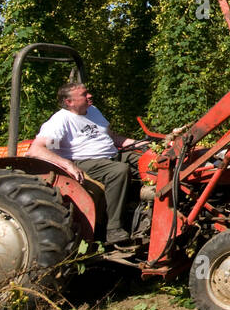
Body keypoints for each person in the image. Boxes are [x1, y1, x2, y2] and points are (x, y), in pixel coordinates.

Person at [26, 81, 149, 245]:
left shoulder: (93, 111)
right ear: (69, 102)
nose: (89, 95)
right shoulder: (60, 120)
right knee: (119, 171)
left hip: (112, 154)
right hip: (84, 161)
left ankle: (143, 213)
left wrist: (144, 145)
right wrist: (68, 165)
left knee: (152, 161)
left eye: (87, 92)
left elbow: (112, 137)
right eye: (84, 94)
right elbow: (36, 150)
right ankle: (114, 229)